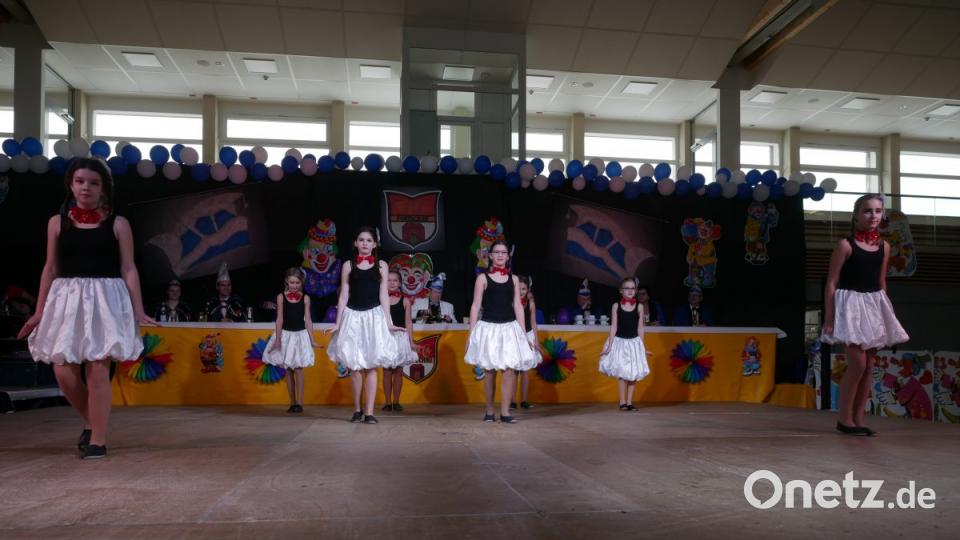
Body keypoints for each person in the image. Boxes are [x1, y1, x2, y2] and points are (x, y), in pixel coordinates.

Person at [18, 158, 156, 459]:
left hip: (106, 299)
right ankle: (92, 421)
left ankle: (98, 440)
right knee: (63, 372)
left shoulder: (118, 224)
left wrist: (138, 309)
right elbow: (50, 267)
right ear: (71, 184)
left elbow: (129, 268)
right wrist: (39, 311)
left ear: (104, 188)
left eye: (93, 182)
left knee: (97, 370)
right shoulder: (57, 222)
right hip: (66, 299)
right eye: (80, 181)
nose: (86, 187)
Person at [823, 194, 908, 436]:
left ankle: (858, 419)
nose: (873, 216)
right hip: (850, 306)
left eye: (878, 211)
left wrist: (886, 315)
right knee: (857, 364)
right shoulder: (845, 245)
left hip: (873, 306)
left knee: (870, 366)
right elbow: (831, 282)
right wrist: (830, 317)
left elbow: (881, 282)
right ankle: (844, 419)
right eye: (868, 211)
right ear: (856, 215)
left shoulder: (885, 247)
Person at [325, 227, 400, 424]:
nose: (365, 243)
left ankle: (369, 412)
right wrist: (338, 322)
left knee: (372, 366)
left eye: (369, 240)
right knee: (355, 366)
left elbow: (384, 295)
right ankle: (357, 410)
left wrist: (388, 322)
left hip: (373, 317)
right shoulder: (348, 266)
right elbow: (344, 295)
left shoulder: (382, 265)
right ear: (356, 243)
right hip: (353, 317)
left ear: (374, 244)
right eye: (361, 240)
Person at [464, 240, 537, 423]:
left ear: (508, 256)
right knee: (489, 371)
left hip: (509, 328)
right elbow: (475, 306)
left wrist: (522, 332)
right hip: (489, 328)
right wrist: (471, 333)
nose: (500, 255)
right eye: (496, 252)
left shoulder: (513, 279)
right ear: (490, 256)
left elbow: (518, 307)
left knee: (509, 369)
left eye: (503, 252)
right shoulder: (482, 278)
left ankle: (505, 412)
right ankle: (489, 411)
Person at [265, 267, 316, 413]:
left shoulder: (305, 298)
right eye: (292, 282)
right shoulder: (281, 297)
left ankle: (299, 403)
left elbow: (308, 320)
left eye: (297, 283)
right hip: (286, 335)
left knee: (299, 368)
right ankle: (292, 402)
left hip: (300, 335)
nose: (294, 285)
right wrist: (278, 339)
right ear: (287, 281)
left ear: (302, 282)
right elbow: (279, 319)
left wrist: (312, 339)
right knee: (288, 369)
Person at [599, 277, 650, 410]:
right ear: (621, 291)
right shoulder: (616, 305)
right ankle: (622, 402)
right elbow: (614, 327)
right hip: (620, 342)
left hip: (633, 342)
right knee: (622, 373)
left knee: (632, 374)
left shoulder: (639, 307)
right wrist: (609, 346)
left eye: (632, 288)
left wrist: (643, 348)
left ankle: (629, 402)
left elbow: (640, 328)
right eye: (627, 288)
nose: (630, 291)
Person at [382, 270, 418, 412]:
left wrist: (411, 341)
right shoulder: (381, 300)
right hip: (386, 338)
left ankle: (396, 402)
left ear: (399, 283)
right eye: (388, 280)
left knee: (398, 370)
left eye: (395, 280)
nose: (391, 283)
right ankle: (387, 402)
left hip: (400, 338)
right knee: (386, 371)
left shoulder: (405, 300)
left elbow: (408, 322)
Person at [511, 275, 541, 410]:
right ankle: (511, 401)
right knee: (513, 370)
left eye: (524, 289)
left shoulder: (531, 304)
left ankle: (523, 400)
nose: (522, 291)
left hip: (528, 336)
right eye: (519, 288)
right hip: (515, 336)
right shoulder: (512, 302)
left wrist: (536, 340)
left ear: (528, 289)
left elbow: (533, 323)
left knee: (525, 371)